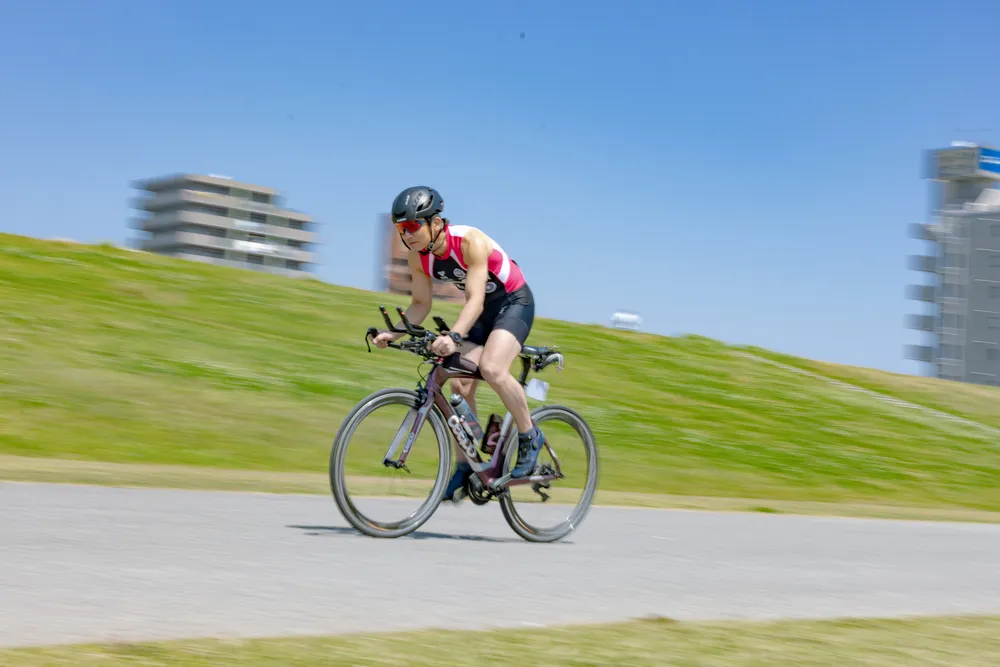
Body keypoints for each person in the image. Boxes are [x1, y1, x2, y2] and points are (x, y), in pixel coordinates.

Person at [372, 185, 546, 502]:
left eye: (412, 226)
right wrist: (393, 333)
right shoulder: (418, 257)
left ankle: (529, 436)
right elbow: (420, 305)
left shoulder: (469, 241)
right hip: (481, 312)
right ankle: (468, 466)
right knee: (454, 382)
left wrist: (453, 336)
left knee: (492, 368)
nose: (406, 235)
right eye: (401, 229)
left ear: (435, 222)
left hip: (513, 303)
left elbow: (476, 299)